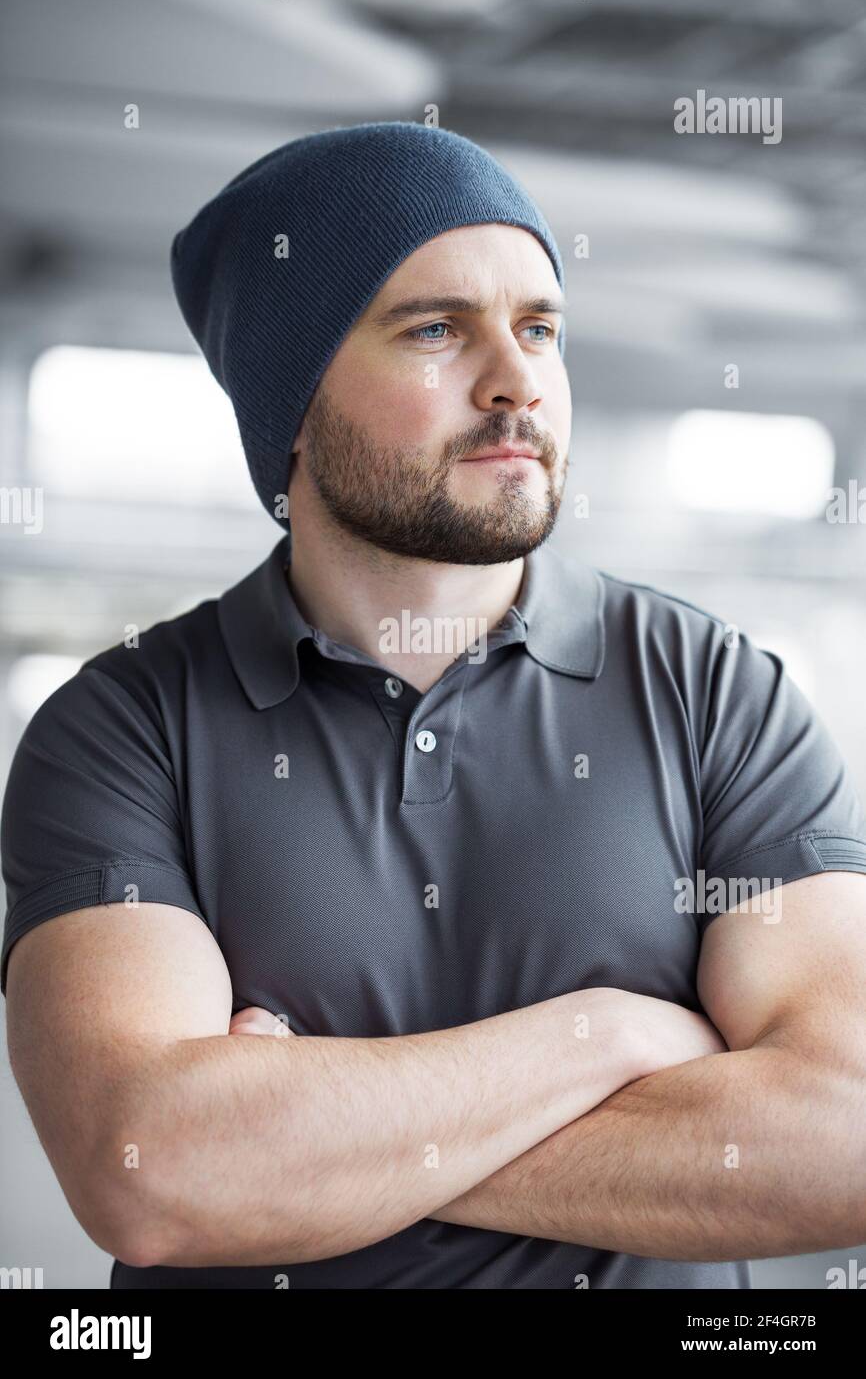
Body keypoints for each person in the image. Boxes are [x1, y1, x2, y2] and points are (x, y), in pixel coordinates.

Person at [4, 122, 866, 1290]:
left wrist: (307, 1138)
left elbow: (839, 1139)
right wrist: (606, 1036)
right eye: (433, 329)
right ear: (292, 404)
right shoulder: (121, 728)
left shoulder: (718, 695)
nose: (514, 380)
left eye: (539, 328)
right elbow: (152, 1173)